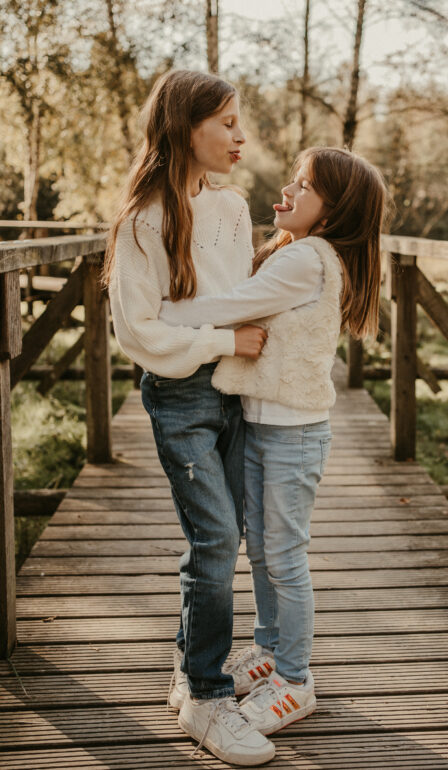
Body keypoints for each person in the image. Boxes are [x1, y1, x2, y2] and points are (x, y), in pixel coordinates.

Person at [160, 145, 387, 736]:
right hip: (266, 426)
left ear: (332, 212)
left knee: (283, 556)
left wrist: (161, 315)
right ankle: (267, 649)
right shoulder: (298, 251)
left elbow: (233, 305)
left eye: (303, 186)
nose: (286, 191)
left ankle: (294, 678)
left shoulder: (307, 259)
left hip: (293, 434)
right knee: (261, 548)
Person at [104, 69, 276, 766]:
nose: (241, 136)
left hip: (238, 387)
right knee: (212, 539)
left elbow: (233, 298)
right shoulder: (144, 220)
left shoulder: (233, 209)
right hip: (180, 393)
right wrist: (215, 339)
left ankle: (185, 668)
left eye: (240, 123)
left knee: (226, 533)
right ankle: (206, 697)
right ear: (187, 127)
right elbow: (139, 333)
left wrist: (225, 329)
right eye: (228, 123)